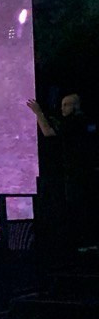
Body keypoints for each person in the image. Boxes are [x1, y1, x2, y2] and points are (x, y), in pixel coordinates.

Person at [28, 94, 98, 253]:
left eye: (66, 105)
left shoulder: (74, 122)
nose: (62, 108)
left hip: (77, 174)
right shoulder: (83, 122)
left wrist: (38, 113)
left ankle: (83, 244)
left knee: (77, 207)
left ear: (76, 106)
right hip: (82, 173)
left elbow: (48, 132)